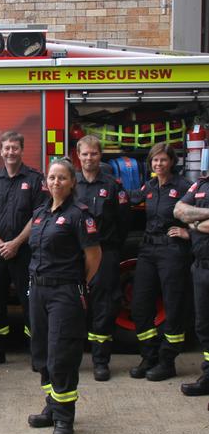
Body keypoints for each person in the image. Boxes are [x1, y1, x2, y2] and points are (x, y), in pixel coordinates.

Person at [27, 158, 101, 434]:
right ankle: (52, 405)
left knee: (62, 355)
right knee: (42, 353)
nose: (55, 182)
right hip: (39, 291)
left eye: (62, 178)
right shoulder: (40, 214)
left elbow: (93, 257)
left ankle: (65, 418)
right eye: (51, 177)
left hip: (65, 293)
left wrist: (75, 284)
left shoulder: (80, 215)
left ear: (72, 182)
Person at [0, 131, 48, 365]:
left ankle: (37, 352)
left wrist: (16, 243)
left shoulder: (35, 180)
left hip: (26, 251)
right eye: (7, 148)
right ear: (1, 151)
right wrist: (0, 244)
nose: (10, 152)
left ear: (22, 150)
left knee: (30, 301)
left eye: (15, 148)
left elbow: (38, 216)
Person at [128, 143, 192, 381]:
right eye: (155, 160)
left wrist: (188, 233)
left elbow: (201, 211)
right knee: (140, 305)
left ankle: (167, 361)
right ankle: (149, 355)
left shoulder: (184, 187)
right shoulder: (150, 185)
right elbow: (130, 199)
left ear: (172, 162)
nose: (158, 164)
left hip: (172, 251)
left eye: (163, 160)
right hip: (148, 250)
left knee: (173, 306)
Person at [75, 135, 130, 381]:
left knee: (103, 307)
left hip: (105, 251)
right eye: (85, 154)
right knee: (73, 306)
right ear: (78, 156)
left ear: (101, 155)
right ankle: (73, 358)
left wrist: (109, 248)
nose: (89, 158)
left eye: (94, 154)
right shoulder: (70, 184)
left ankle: (100, 361)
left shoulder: (113, 185)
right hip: (75, 255)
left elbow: (124, 222)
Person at [174, 176, 209, 398]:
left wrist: (194, 220)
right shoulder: (202, 184)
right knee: (203, 325)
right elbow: (179, 210)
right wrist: (201, 221)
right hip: (201, 267)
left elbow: (190, 217)